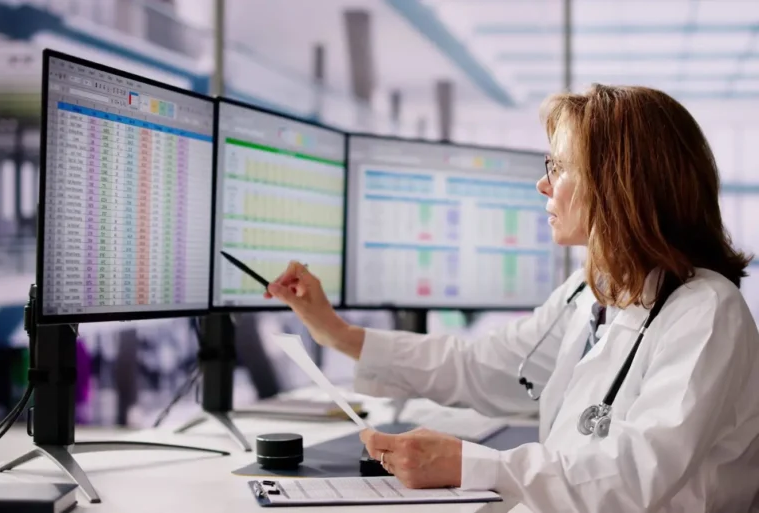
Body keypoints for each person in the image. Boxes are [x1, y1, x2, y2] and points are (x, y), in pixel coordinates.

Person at [264, 84, 759, 513]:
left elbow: (632, 478)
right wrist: (336, 331)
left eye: (560, 166)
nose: (543, 182)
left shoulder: (707, 313)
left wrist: (472, 464)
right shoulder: (591, 294)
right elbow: (482, 365)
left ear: (618, 186)